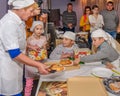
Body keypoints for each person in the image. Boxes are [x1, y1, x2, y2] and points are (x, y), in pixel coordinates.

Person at [0, 0, 49, 96]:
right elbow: (14, 53)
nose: (32, 14)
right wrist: (38, 65)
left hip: (15, 69)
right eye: (31, 11)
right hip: (7, 71)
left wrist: (30, 46)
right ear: (21, 9)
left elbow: (17, 42)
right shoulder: (9, 23)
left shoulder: (19, 20)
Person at [24, 21, 47, 96]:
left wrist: (44, 48)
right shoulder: (29, 39)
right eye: (37, 29)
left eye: (41, 29)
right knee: (29, 83)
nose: (39, 30)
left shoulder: (44, 38)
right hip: (31, 63)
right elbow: (25, 50)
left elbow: (44, 50)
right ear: (33, 29)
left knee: (42, 83)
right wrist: (31, 47)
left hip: (41, 62)